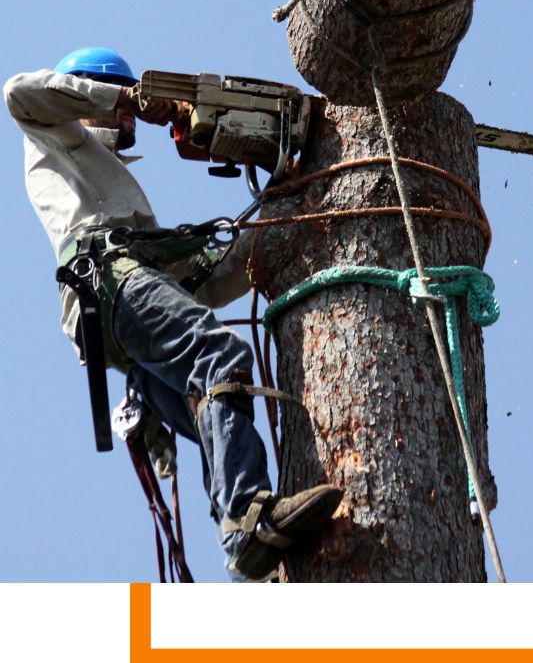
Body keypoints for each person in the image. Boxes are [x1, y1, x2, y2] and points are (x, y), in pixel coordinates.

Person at [4, 48, 342, 581]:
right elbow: (18, 91)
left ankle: (249, 556)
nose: (129, 125)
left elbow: (208, 281)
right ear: (85, 90)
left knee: (214, 407)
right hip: (107, 280)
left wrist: (283, 201)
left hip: (116, 304)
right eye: (123, 112)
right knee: (220, 354)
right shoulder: (50, 132)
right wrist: (126, 97)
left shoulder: (124, 203)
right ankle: (244, 516)